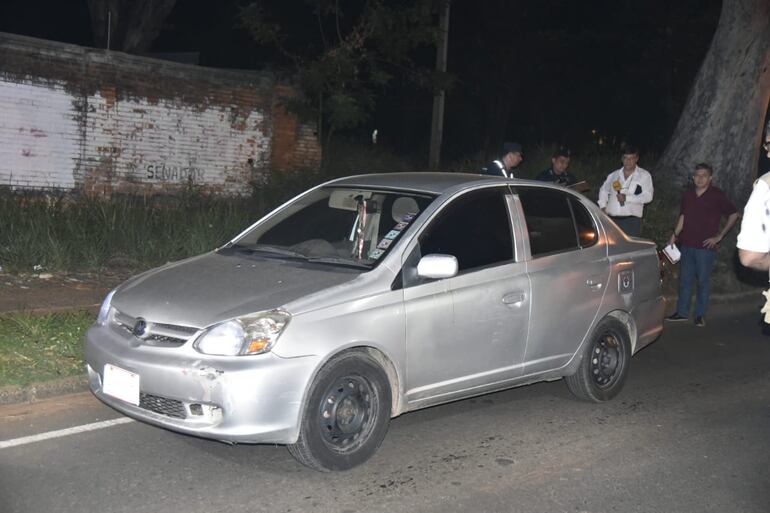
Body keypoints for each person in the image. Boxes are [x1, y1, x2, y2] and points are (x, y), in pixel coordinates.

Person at [665, 163, 739, 327]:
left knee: (703, 281)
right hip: (687, 244)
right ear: (693, 177)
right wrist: (674, 235)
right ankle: (682, 312)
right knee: (685, 280)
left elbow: (734, 214)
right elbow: (683, 216)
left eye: (703, 175)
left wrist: (720, 236)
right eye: (697, 175)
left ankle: (700, 315)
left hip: (706, 248)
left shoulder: (717, 195)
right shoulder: (688, 195)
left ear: (710, 178)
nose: (699, 178)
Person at [597, 145, 654, 237]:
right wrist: (603, 207)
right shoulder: (614, 175)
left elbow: (648, 196)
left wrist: (627, 198)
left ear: (637, 159)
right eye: (625, 158)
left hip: (631, 222)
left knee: (627, 251)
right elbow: (603, 190)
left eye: (631, 158)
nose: (628, 161)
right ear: (622, 159)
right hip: (611, 220)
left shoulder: (644, 175)